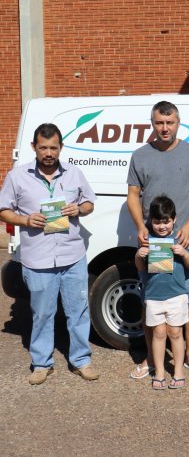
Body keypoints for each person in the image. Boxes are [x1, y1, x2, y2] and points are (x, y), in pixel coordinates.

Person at [0, 123, 99, 385]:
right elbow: (3, 210)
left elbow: (89, 202)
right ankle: (42, 363)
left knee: (78, 310)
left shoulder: (74, 173)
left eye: (53, 147)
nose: (48, 153)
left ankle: (81, 360)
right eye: (43, 147)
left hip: (72, 256)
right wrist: (25, 220)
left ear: (60, 148)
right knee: (41, 313)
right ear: (34, 147)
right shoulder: (17, 177)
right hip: (38, 259)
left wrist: (79, 209)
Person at [127, 101, 189, 378]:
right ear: (152, 124)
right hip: (154, 243)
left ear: (178, 122)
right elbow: (133, 196)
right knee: (150, 300)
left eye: (170, 122)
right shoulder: (140, 156)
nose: (164, 128)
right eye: (159, 123)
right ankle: (152, 358)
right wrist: (140, 225)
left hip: (186, 241)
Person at [134, 196, 189, 390]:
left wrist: (184, 253)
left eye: (166, 221)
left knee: (176, 332)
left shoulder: (180, 238)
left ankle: (178, 370)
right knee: (158, 333)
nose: (162, 226)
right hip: (153, 295)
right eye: (157, 222)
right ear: (151, 221)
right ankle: (159, 371)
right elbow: (140, 268)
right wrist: (138, 255)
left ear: (174, 219)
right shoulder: (146, 241)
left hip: (177, 293)